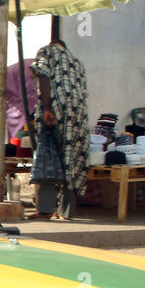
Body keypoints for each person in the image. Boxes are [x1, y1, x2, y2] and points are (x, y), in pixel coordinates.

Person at [30, 38, 90, 220]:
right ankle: (66, 211)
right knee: (70, 158)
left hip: (57, 105)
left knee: (49, 154)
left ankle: (46, 210)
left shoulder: (46, 51)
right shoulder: (77, 62)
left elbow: (43, 76)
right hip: (79, 111)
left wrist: (47, 107)